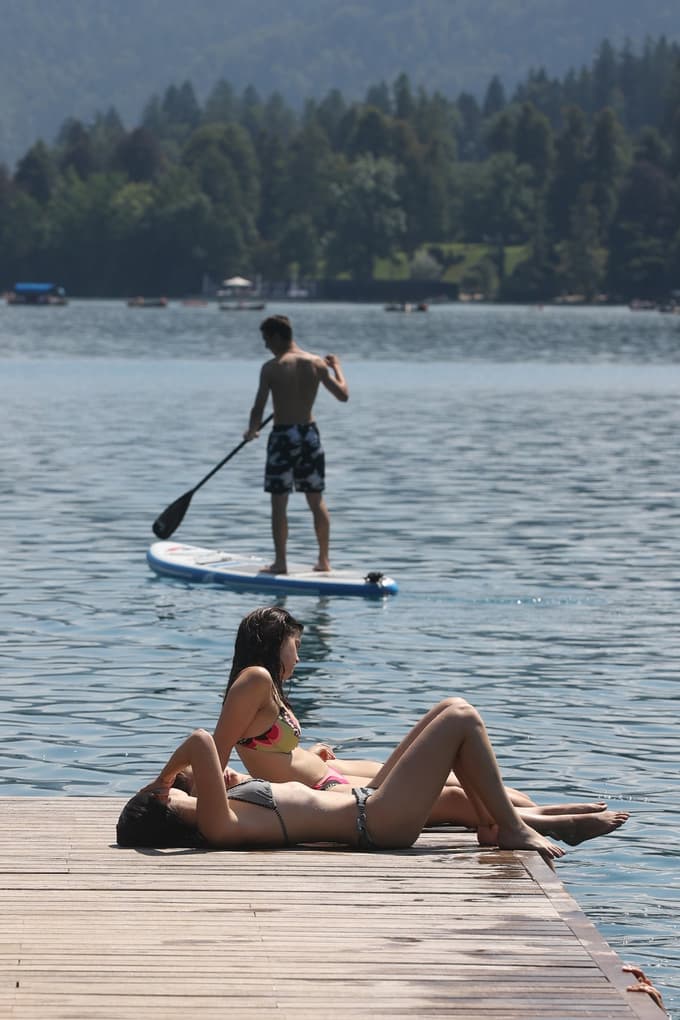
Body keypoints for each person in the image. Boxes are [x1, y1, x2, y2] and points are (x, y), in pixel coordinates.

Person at [205, 607, 628, 846]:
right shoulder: (255, 680)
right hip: (329, 793)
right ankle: (543, 823)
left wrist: (307, 752)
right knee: (452, 796)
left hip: (331, 777)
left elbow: (263, 749)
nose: (298, 656)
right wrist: (213, 781)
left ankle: (539, 812)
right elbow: (218, 747)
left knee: (450, 743)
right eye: (295, 645)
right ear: (275, 642)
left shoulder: (266, 686)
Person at [117, 697, 567, 860]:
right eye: (173, 793)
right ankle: (509, 828)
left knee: (449, 709)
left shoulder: (222, 813)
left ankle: (497, 826)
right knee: (463, 718)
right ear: (162, 806)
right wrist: (163, 778)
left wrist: (172, 780)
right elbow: (200, 741)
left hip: (371, 806)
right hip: (375, 822)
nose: (179, 787)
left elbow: (202, 754)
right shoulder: (216, 825)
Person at [244, 315, 349, 573]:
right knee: (316, 499)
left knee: (279, 502)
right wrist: (337, 367)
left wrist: (251, 431)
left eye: (267, 340)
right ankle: (324, 561)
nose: (266, 346)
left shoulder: (271, 367)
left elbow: (259, 406)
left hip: (282, 436)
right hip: (309, 435)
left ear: (278, 336)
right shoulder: (315, 364)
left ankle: (281, 563)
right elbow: (343, 395)